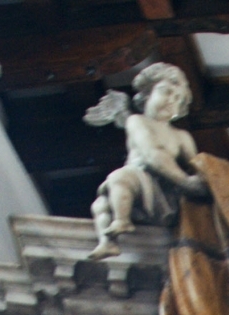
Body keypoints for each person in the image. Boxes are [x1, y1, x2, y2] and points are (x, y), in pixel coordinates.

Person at [84, 64, 208, 259]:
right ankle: (110, 239)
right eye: (165, 92)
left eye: (178, 99)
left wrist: (196, 181)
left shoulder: (181, 136)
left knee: (119, 179)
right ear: (146, 94)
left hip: (167, 192)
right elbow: (153, 154)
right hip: (139, 178)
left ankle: (121, 221)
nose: (170, 101)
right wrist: (186, 181)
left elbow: (197, 165)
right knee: (102, 203)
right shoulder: (137, 121)